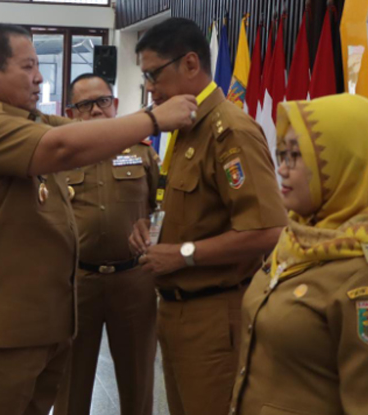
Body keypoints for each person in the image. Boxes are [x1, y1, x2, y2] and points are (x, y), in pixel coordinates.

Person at [0, 24, 196, 415]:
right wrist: (154, 119)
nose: (40, 77)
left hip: (37, 331)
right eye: (28, 66)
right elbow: (63, 146)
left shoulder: (29, 121)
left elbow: (79, 131)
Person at [230, 94, 368, 415]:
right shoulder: (297, 239)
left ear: (347, 164)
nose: (282, 169)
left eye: (297, 156)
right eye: (281, 154)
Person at [128, 18, 288, 415]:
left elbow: (269, 231)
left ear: (191, 64)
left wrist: (182, 253)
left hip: (215, 316)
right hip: (177, 310)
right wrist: (151, 232)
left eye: (153, 73)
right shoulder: (185, 127)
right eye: (144, 76)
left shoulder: (229, 131)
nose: (149, 86)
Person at [53, 74, 159, 415]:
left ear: (114, 105)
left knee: (138, 379)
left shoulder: (142, 153)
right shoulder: (58, 158)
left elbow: (160, 208)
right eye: (85, 105)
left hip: (133, 281)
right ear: (71, 113)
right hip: (77, 283)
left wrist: (151, 228)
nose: (96, 110)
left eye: (103, 101)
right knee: (70, 382)